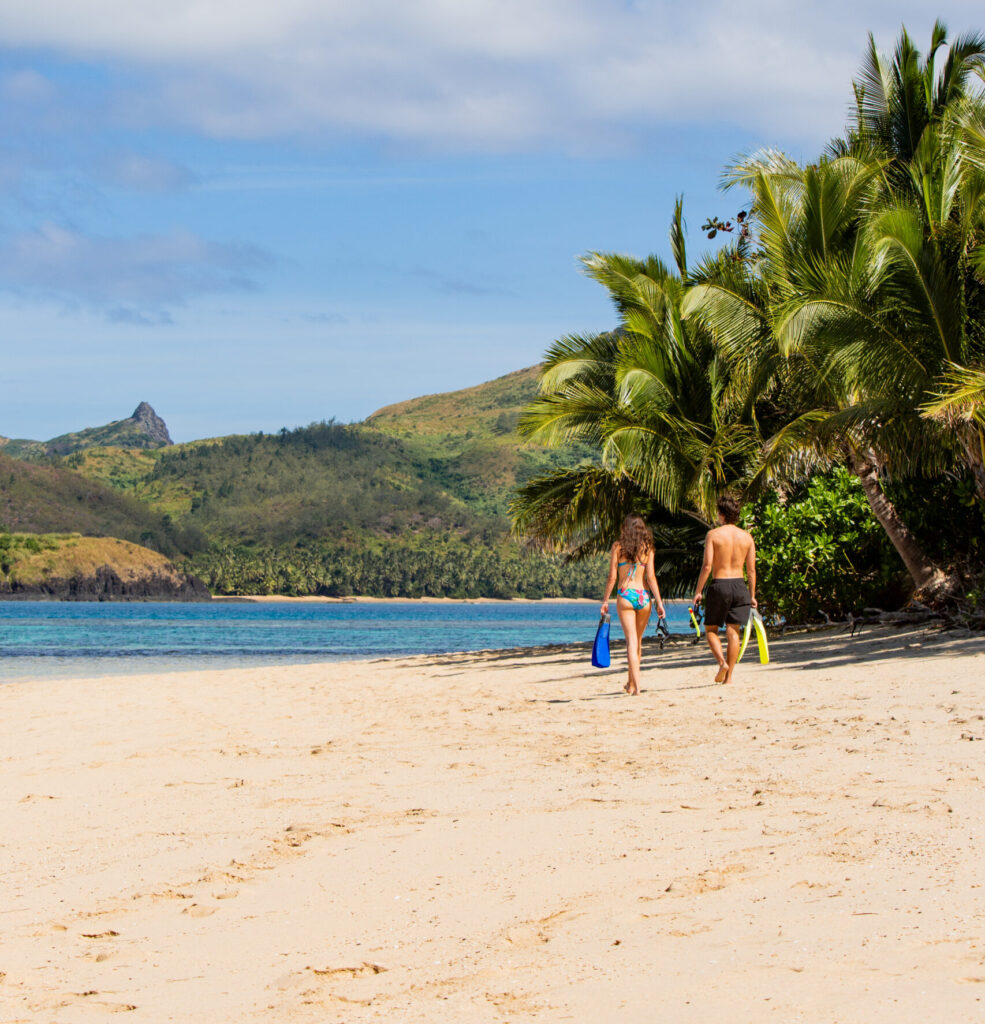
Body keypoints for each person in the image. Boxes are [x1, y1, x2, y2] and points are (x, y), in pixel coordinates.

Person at [692, 493, 757, 685]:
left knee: (711, 629)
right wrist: (752, 595)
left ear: (721, 514)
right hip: (739, 584)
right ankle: (729, 678)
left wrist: (698, 591)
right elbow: (751, 570)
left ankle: (722, 662)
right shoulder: (747, 537)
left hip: (720, 584)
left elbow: (707, 567)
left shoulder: (713, 535)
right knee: (733, 630)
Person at [601, 514, 666, 696]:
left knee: (631, 642)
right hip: (643, 596)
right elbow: (651, 577)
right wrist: (659, 602)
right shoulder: (648, 548)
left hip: (626, 594)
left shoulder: (618, 547)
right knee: (637, 642)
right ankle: (631, 683)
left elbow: (613, 577)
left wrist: (605, 600)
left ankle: (636, 687)